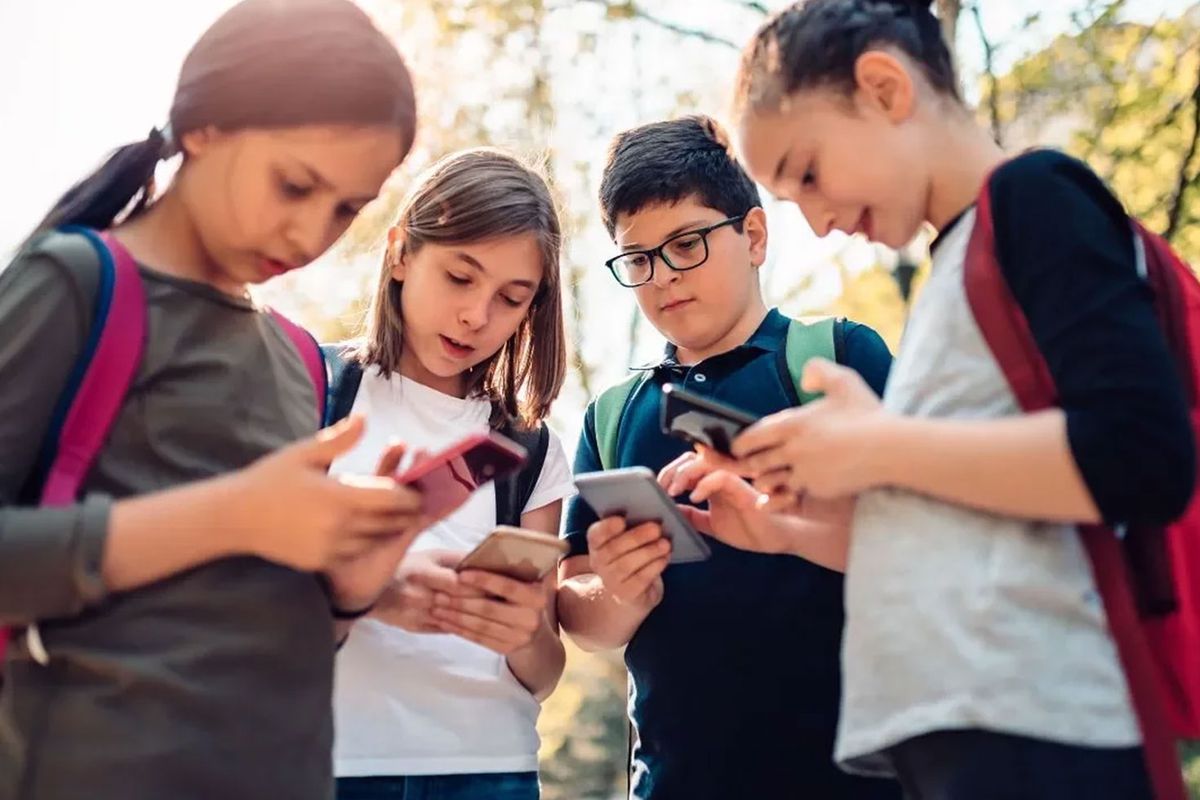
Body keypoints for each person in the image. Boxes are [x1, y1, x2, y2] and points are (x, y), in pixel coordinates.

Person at [703, 1, 1196, 797]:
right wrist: (795, 521)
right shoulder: (952, 274)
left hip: (1047, 729)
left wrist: (880, 445)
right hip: (974, 736)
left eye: (807, 174)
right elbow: (984, 521)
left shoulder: (1036, 197)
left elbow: (1141, 454)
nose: (820, 223)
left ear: (884, 87)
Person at [0, 2, 424, 798]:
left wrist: (352, 586)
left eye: (347, 210)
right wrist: (231, 514)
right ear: (207, 126)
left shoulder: (300, 357)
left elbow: (255, 617)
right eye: (295, 185)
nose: (308, 237)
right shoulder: (78, 284)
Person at [556, 115, 897, 800]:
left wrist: (787, 514)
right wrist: (622, 591)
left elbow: (926, 545)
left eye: (686, 243)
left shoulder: (836, 361)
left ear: (753, 236)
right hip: (677, 782)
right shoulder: (614, 415)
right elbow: (578, 610)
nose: (663, 277)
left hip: (857, 780)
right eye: (640, 258)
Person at [331, 148, 574, 800]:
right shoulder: (313, 394)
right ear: (401, 253)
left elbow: (544, 671)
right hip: (330, 758)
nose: (476, 316)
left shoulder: (531, 449)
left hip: (489, 769)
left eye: (510, 298)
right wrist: (369, 589)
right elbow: (242, 595)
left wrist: (523, 632)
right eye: (460, 278)